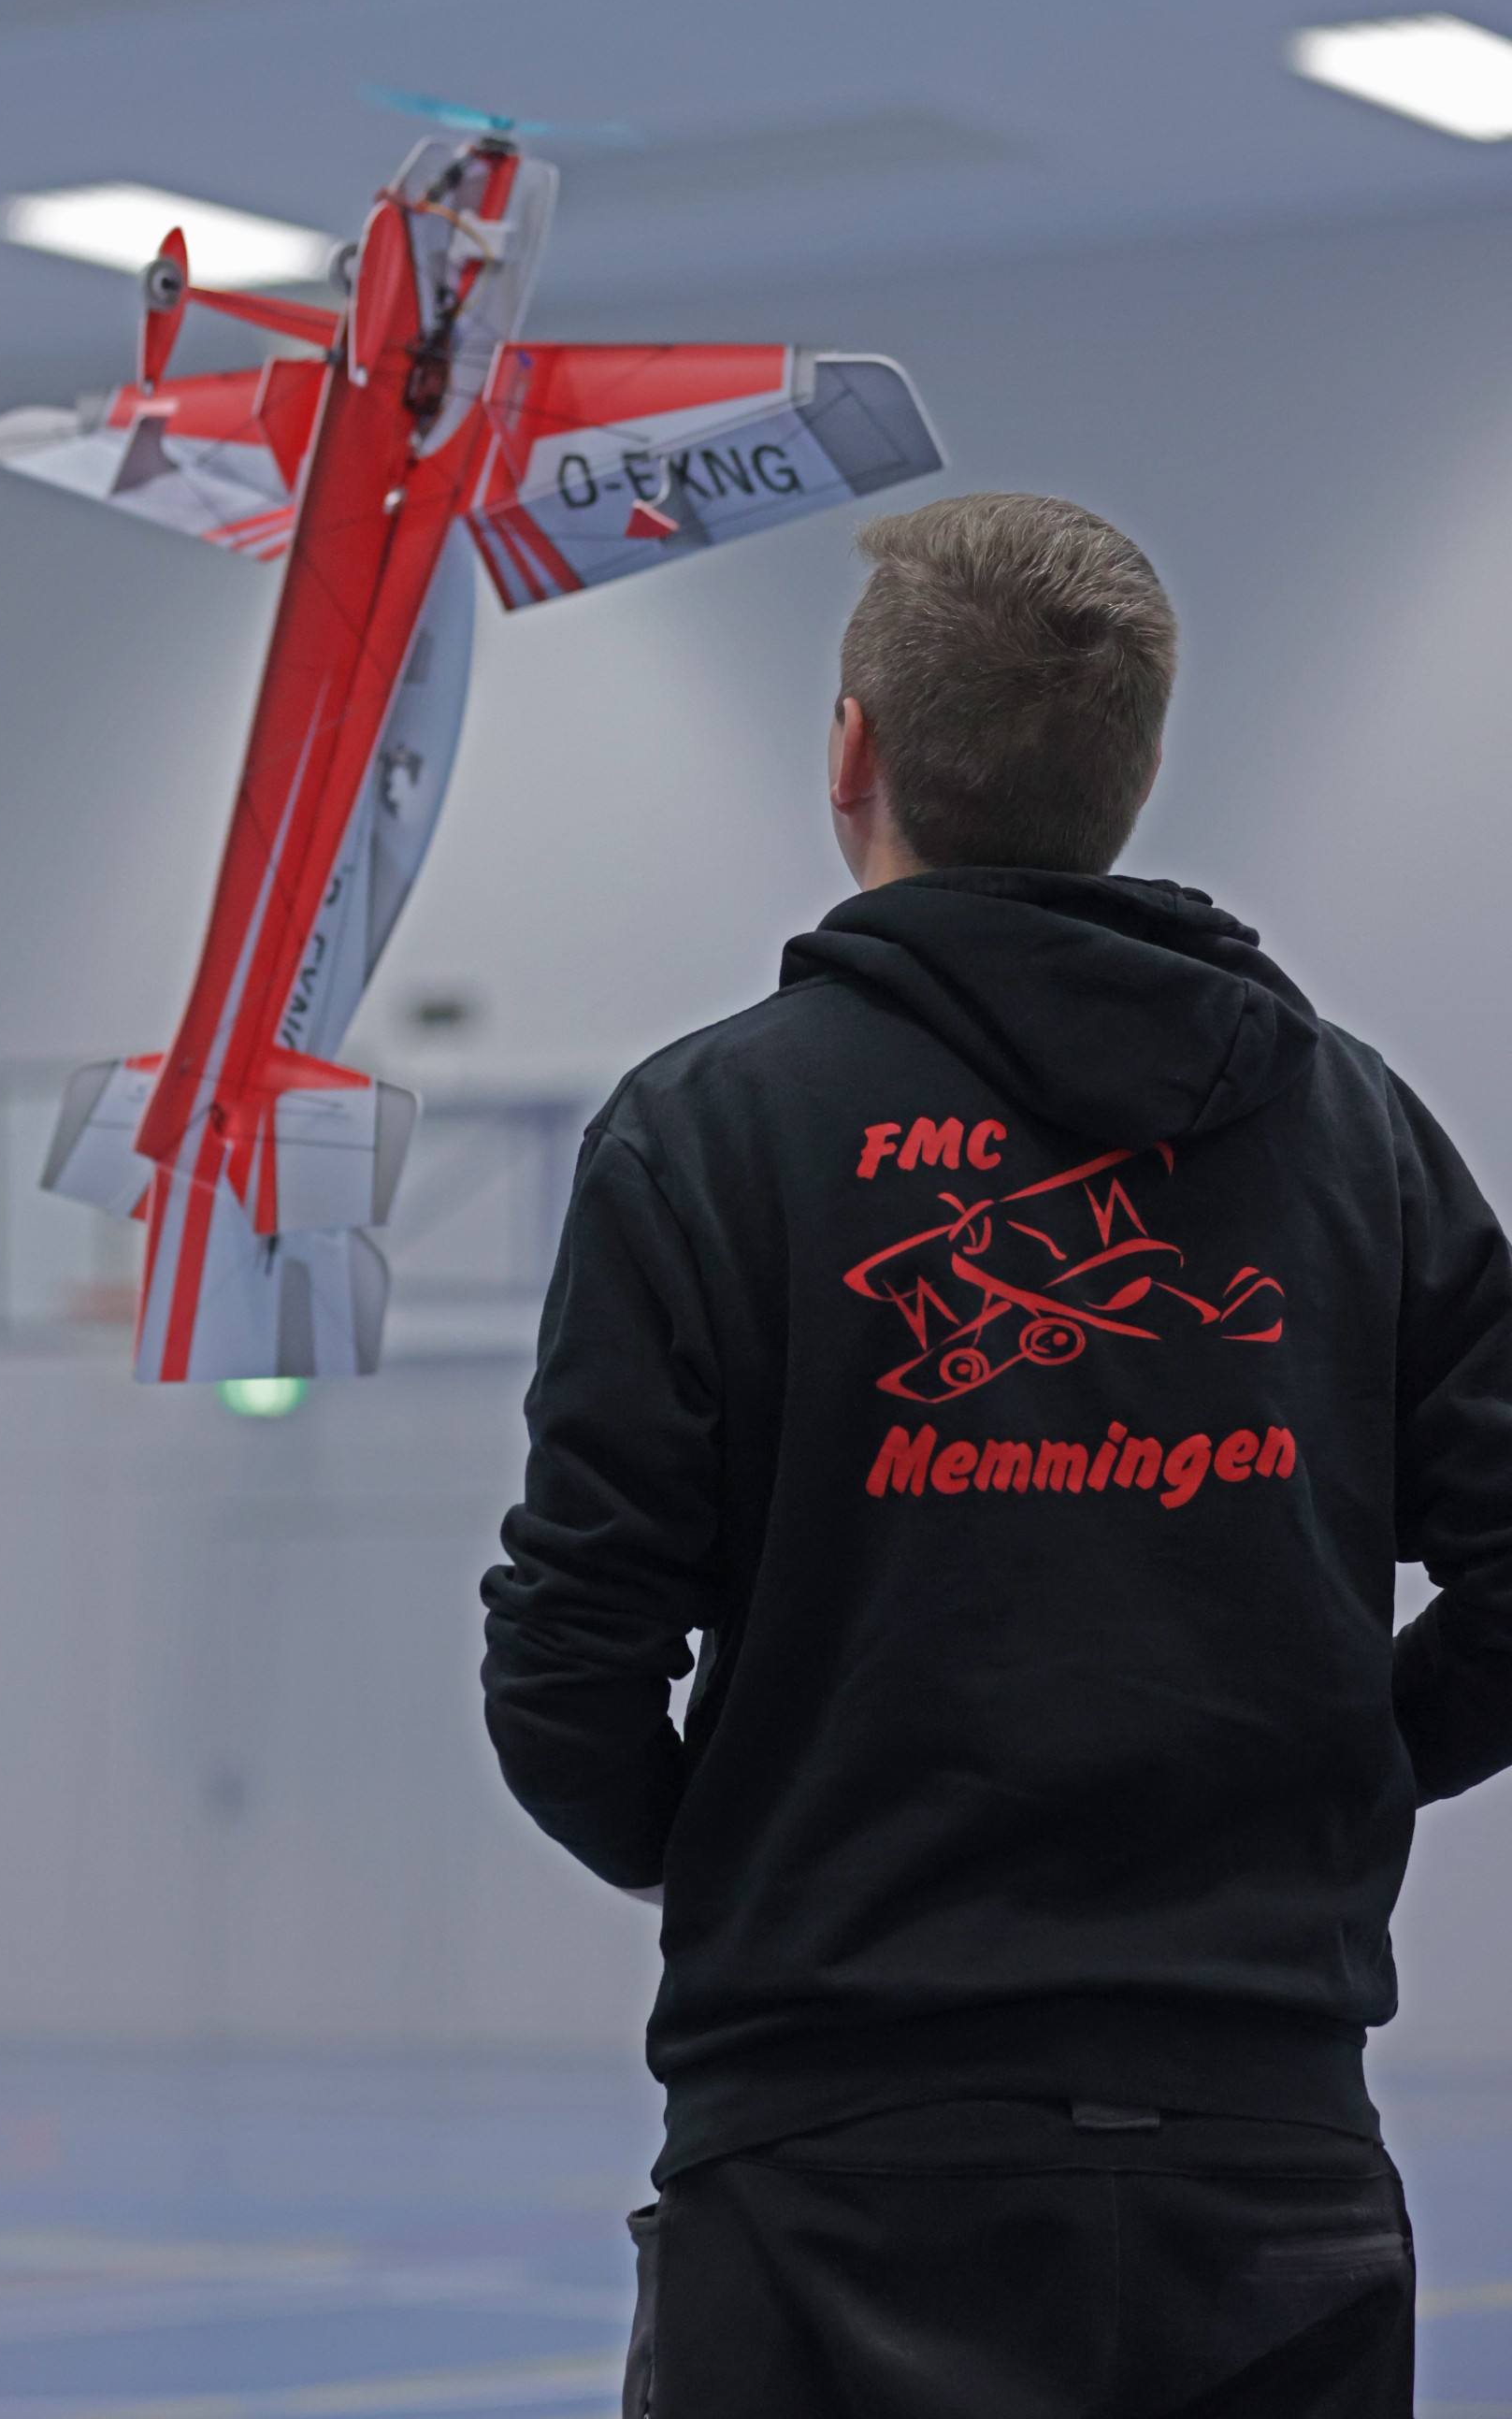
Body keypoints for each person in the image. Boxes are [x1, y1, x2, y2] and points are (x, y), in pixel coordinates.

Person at [480, 492, 1512, 2416]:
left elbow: (569, 1651)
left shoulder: (710, 1132)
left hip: (829, 2160)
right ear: (1133, 777)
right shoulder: (1355, 1135)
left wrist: (749, 1846)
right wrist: (1340, 1765)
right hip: (1263, 2162)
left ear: (851, 753)